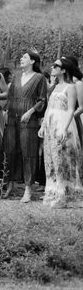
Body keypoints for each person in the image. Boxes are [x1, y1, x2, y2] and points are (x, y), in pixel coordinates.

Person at [0, 52, 48, 203]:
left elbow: (42, 100)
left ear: (32, 61)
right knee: (11, 150)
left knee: (29, 153)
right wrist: (6, 110)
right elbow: (10, 96)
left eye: (25, 57)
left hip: (29, 119)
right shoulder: (16, 76)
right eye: (21, 57)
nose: (21, 59)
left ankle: (28, 188)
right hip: (13, 117)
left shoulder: (39, 78)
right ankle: (10, 184)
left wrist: (31, 111)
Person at [39, 57, 83, 208]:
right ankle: (52, 191)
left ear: (63, 70)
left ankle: (64, 195)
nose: (52, 68)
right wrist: (43, 125)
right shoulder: (55, 87)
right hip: (50, 125)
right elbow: (49, 108)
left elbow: (71, 109)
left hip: (63, 124)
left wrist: (64, 127)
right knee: (50, 159)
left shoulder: (70, 87)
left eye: (56, 66)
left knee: (63, 159)